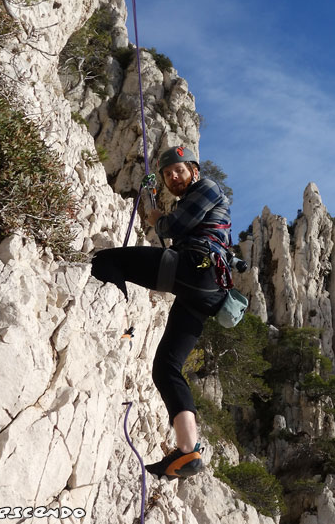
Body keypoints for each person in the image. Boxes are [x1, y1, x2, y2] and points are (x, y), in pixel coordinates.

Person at [90, 145, 232, 478]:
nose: (174, 177)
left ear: (194, 171)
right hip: (203, 290)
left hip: (198, 268)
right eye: (168, 174)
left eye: (179, 170)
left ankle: (115, 319)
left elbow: (172, 227)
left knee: (107, 260)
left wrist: (157, 219)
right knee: (165, 368)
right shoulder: (192, 199)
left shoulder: (208, 187)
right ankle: (187, 452)